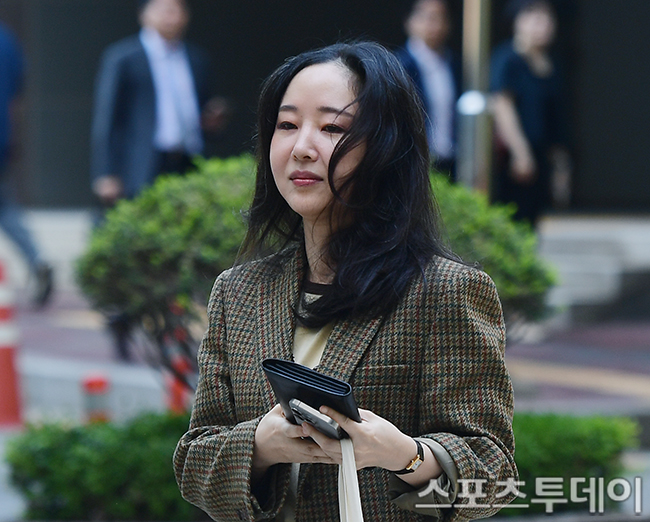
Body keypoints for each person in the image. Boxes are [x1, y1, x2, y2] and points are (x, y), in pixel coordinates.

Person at [173, 42, 516, 522]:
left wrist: (405, 455)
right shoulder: (239, 291)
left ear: (386, 148)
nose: (302, 147)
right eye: (287, 125)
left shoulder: (445, 291)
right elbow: (195, 462)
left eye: (332, 128)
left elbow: (492, 478)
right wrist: (260, 445)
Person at [90, 0, 228, 359]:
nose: (172, 16)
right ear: (144, 14)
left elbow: (202, 112)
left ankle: (173, 326)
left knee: (182, 249)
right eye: (164, 8)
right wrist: (107, 173)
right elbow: (108, 118)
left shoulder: (195, 58)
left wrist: (211, 120)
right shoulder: (124, 57)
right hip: (140, 168)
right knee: (139, 250)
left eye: (178, 9)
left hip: (184, 163)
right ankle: (123, 322)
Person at [490, 0, 571, 226]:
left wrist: (561, 167)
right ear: (517, 22)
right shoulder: (507, 59)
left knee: (533, 219)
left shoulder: (552, 64)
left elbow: (556, 121)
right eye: (535, 18)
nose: (543, 25)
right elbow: (502, 106)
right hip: (513, 159)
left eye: (547, 19)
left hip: (542, 156)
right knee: (513, 217)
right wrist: (520, 152)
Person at [0, 20, 53, 308]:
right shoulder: (7, 40)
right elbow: (17, 96)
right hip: (2, 137)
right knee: (6, 208)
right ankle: (37, 259)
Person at [396, 0, 461, 179]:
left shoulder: (455, 64)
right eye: (429, 17)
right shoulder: (398, 66)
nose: (436, 25)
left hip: (451, 161)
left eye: (442, 18)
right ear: (410, 21)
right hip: (413, 164)